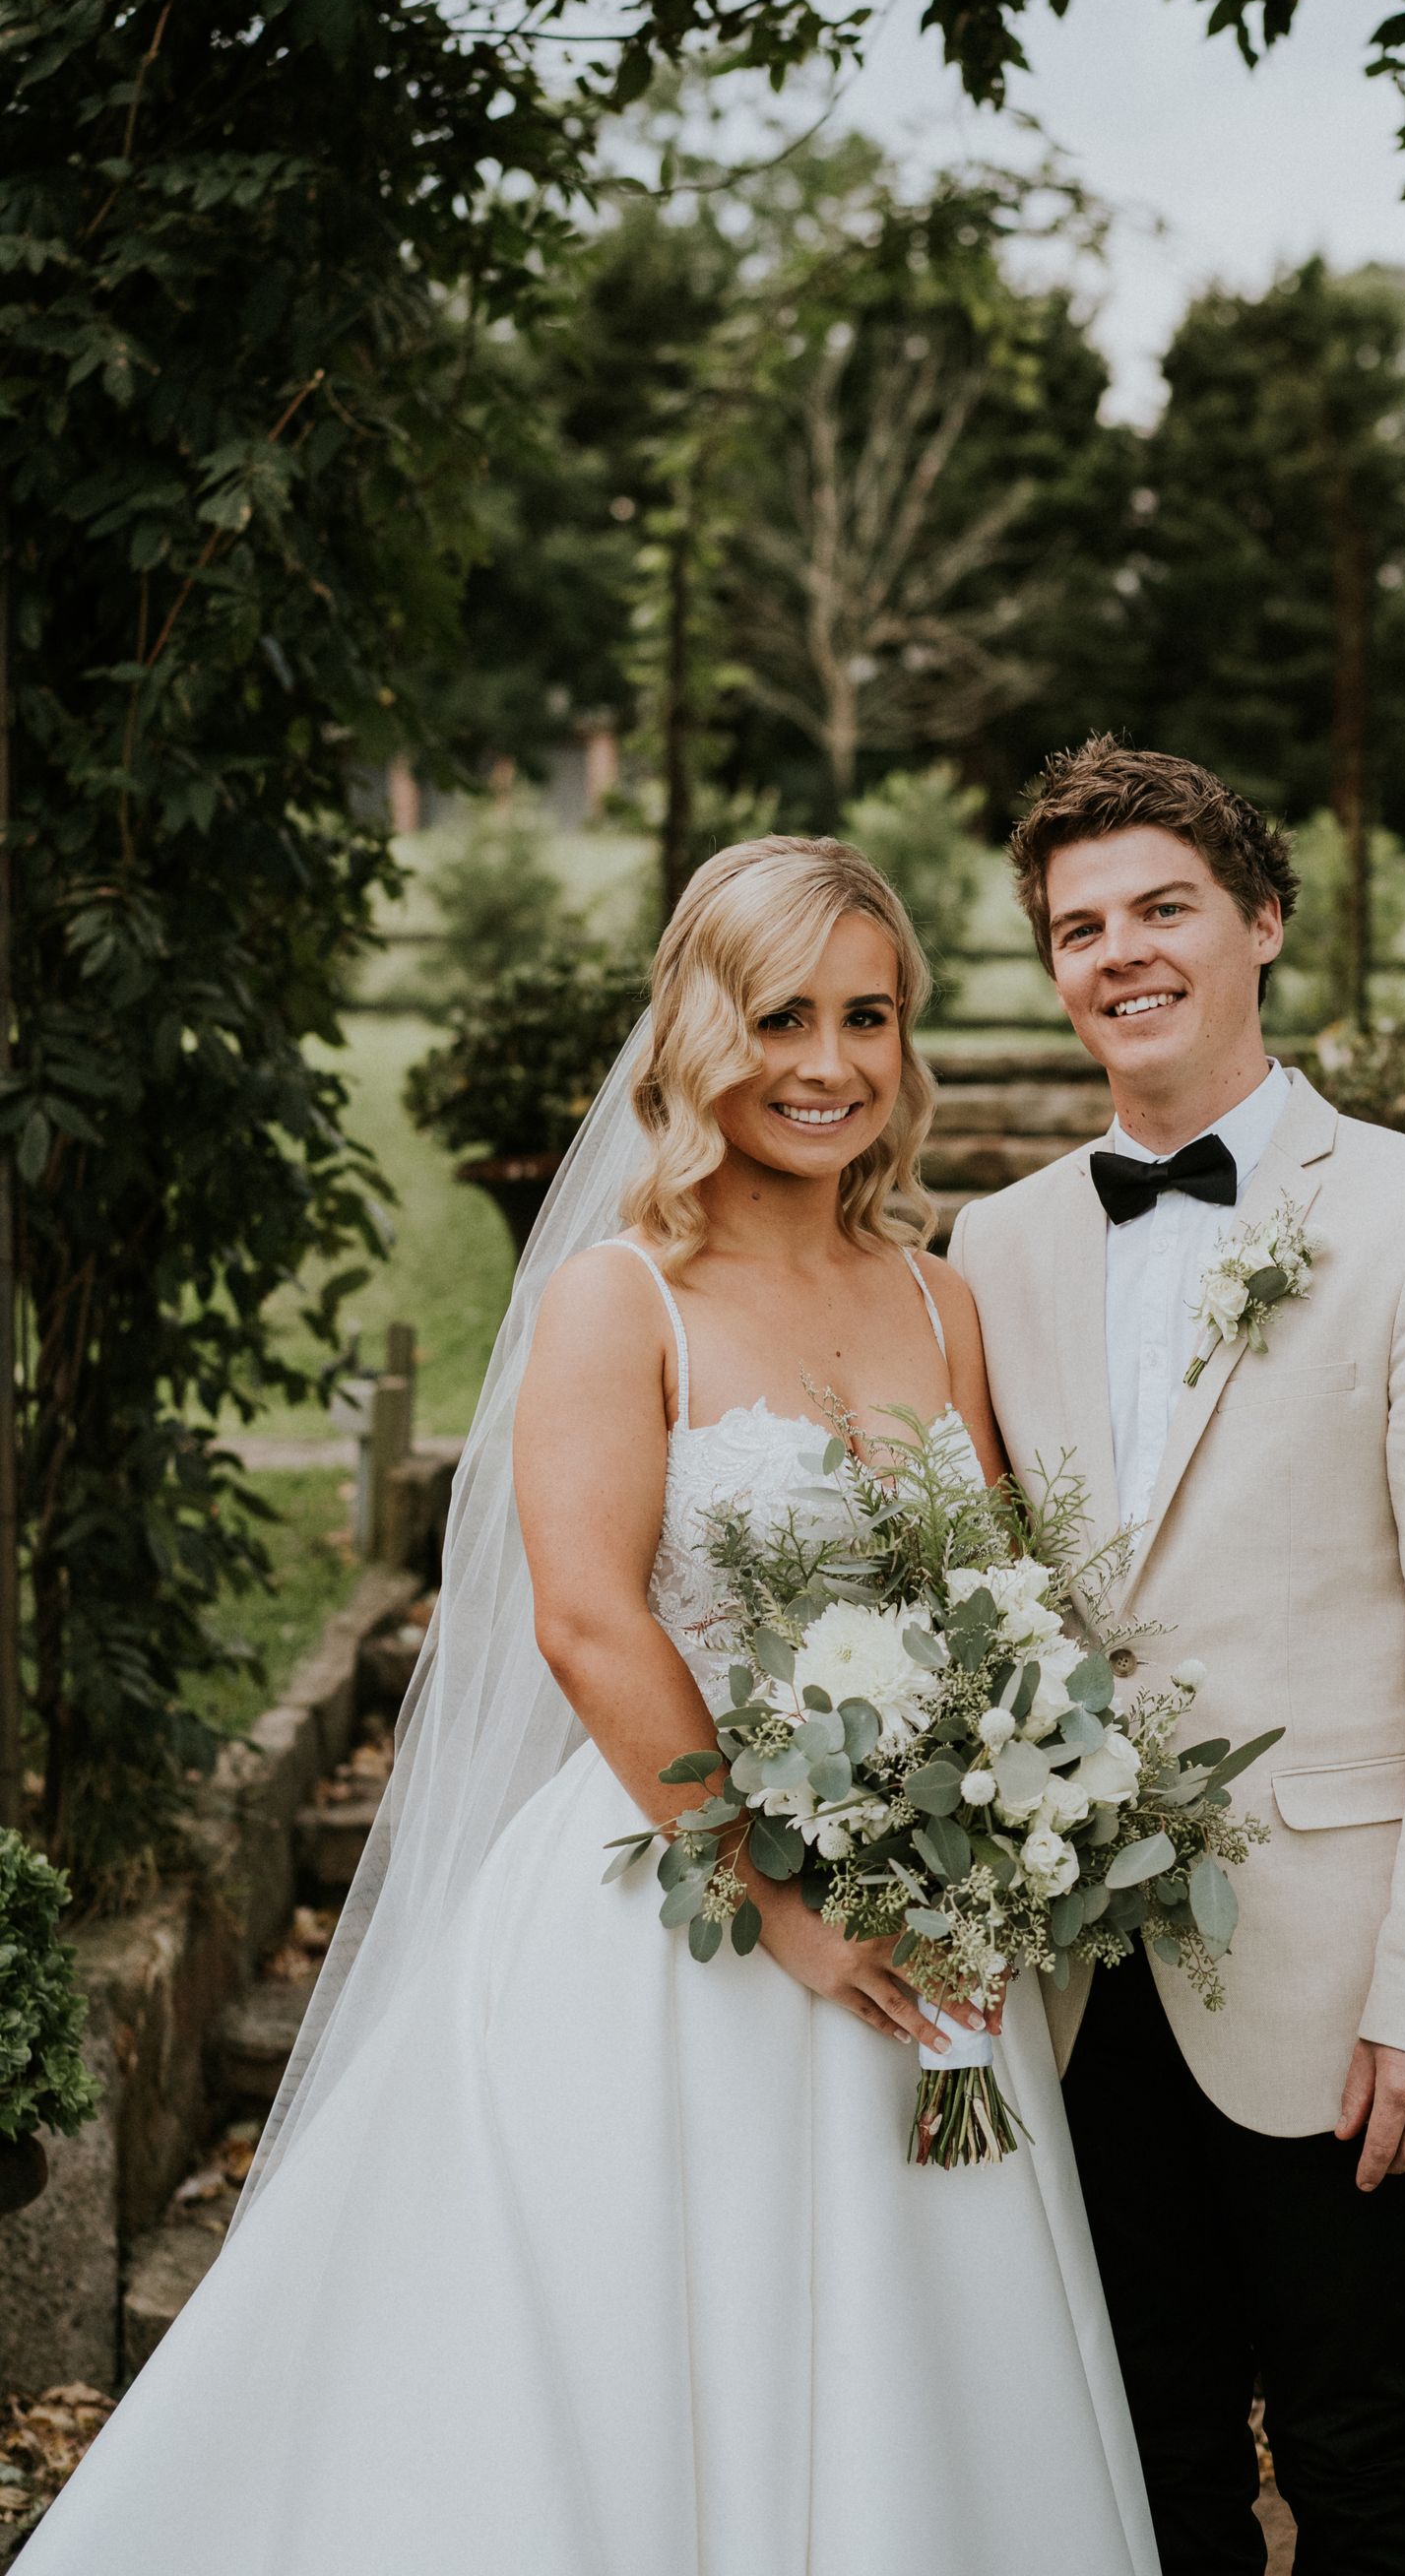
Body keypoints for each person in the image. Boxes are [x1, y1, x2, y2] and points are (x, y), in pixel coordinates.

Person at [25, 837, 1158, 2576]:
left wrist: (997, 1829)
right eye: (783, 1015)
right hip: (681, 1918)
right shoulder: (618, 1300)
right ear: (701, 1030)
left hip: (926, 1929)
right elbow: (587, 1623)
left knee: (912, 2366)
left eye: (870, 1016)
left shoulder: (942, 1296)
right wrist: (783, 1904)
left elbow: (986, 1592)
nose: (832, 1064)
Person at [949, 738, 1405, 2576]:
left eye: (1164, 907)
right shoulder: (997, 1245)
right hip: (1082, 1986)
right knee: (1142, 2480)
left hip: (1344, 1987)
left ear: (1262, 923)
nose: (1120, 953)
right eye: (1079, 927)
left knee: (1367, 2464)